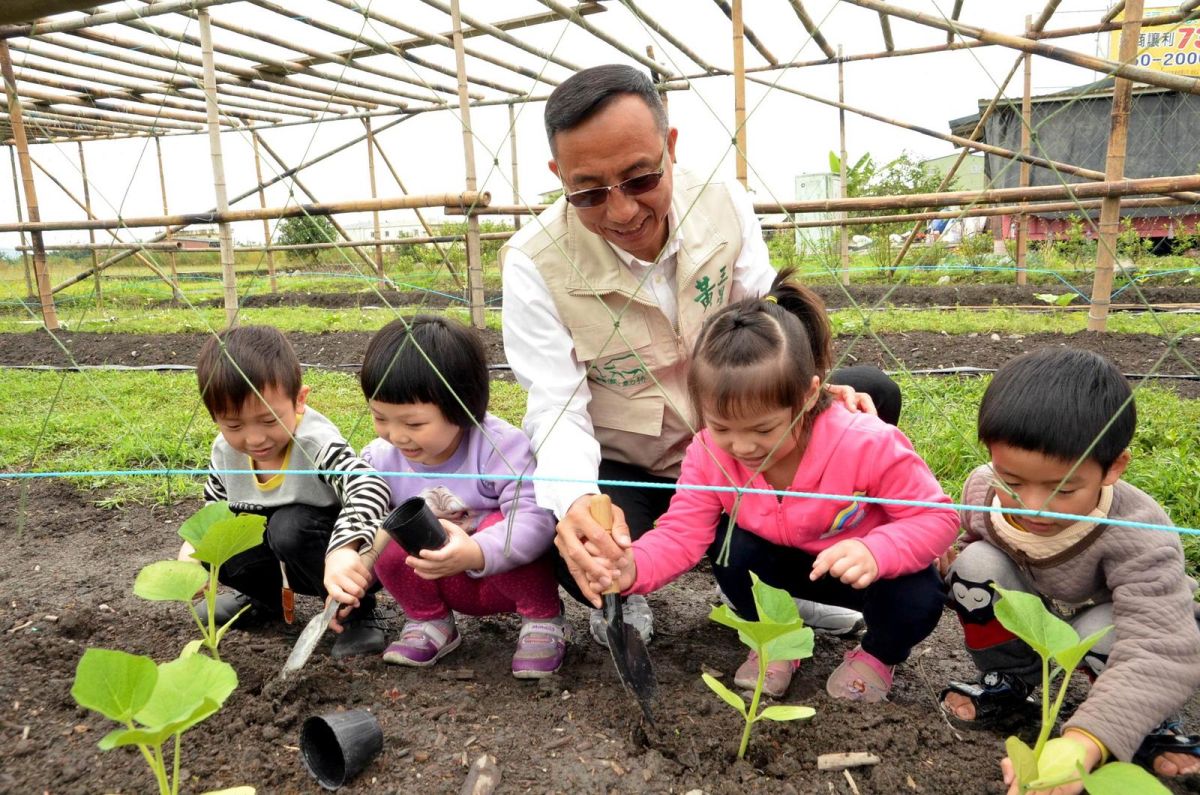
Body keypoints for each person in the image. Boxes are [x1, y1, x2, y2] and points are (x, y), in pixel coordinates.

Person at [501, 64, 896, 644]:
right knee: (576, 540)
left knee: (871, 397)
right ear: (558, 175)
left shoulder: (720, 201)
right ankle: (624, 594)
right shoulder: (535, 260)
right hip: (636, 463)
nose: (621, 212)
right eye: (587, 192)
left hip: (740, 445)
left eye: (640, 179)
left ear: (671, 146)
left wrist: (814, 394)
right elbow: (557, 405)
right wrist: (579, 501)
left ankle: (786, 589)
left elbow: (768, 321)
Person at [561, 269, 957, 699]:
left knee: (919, 595)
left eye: (763, 429)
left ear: (807, 397)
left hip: (860, 571)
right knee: (731, 548)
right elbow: (682, 534)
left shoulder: (866, 442)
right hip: (778, 566)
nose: (742, 446)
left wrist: (875, 550)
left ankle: (876, 656)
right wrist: (632, 566)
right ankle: (778, 638)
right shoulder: (708, 452)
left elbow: (937, 518)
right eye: (722, 427)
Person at [941, 348, 1200, 793]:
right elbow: (975, 537)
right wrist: (951, 553)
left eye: (1064, 488)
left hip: (1118, 617)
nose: (1033, 506)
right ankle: (1009, 682)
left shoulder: (1138, 530)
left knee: (1109, 631)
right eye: (1014, 482)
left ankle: (1140, 722)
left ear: (1113, 467)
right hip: (1037, 609)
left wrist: (1083, 741)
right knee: (974, 566)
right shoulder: (984, 487)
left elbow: (1158, 643)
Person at [359, 316, 566, 679]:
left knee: (508, 524)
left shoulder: (500, 447)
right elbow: (362, 510)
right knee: (388, 536)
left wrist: (477, 549)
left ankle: (542, 618)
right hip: (435, 573)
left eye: (414, 424)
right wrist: (356, 557)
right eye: (381, 418)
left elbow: (535, 517)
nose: (396, 436)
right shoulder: (379, 459)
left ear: (463, 406)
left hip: (498, 573)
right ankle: (430, 622)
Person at [181, 325, 391, 658]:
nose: (254, 439)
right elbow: (215, 509)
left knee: (288, 526)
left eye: (268, 420)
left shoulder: (315, 443)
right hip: (285, 554)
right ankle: (266, 600)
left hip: (344, 558)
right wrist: (192, 551)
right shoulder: (225, 451)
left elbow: (371, 485)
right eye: (234, 425)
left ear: (299, 401)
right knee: (218, 542)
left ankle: (359, 611)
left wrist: (345, 549)